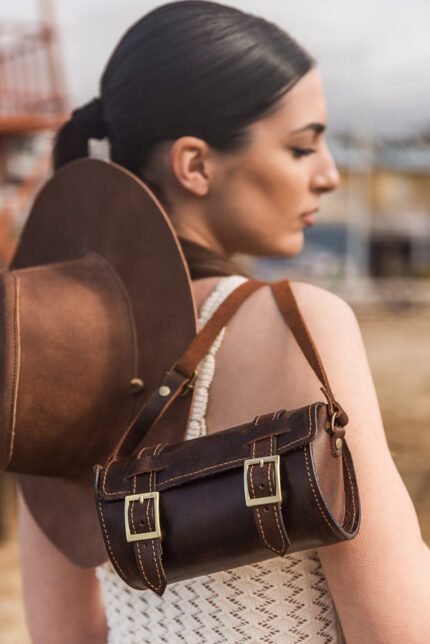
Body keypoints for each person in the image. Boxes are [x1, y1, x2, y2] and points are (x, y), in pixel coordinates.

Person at [17, 1, 430, 642]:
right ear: (196, 165)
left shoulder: (49, 343)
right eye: (301, 147)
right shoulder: (296, 322)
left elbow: (63, 633)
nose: (329, 175)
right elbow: (401, 630)